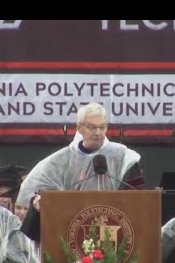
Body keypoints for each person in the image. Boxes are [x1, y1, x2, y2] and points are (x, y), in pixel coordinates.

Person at [17, 102, 144, 242]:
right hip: (70, 236)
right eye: (92, 127)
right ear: (79, 128)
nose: (98, 133)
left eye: (102, 127)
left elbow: (137, 201)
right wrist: (40, 204)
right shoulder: (58, 162)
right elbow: (35, 201)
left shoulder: (123, 157)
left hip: (115, 234)